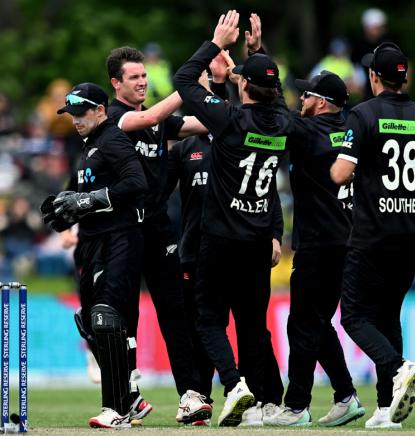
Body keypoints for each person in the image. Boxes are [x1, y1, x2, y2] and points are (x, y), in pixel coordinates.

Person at [173, 10, 305, 426]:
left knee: (209, 317)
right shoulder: (284, 123)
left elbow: (182, 81)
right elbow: (274, 94)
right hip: (257, 239)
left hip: (219, 237)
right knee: (252, 324)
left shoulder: (227, 120)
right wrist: (255, 58)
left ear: (244, 86)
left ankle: (234, 386)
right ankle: (259, 406)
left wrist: (216, 43)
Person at [330, 42, 415, 428]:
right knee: (388, 317)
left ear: (373, 77)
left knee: (352, 316)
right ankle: (386, 410)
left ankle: (396, 367)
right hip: (409, 236)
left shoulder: (363, 115)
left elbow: (340, 174)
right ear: (405, 78)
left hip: (372, 235)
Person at [104, 45, 211, 424]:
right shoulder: (114, 118)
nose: (142, 82)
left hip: (158, 226)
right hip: (123, 230)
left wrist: (228, 96)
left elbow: (204, 122)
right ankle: (127, 396)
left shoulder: (159, 121)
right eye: (134, 78)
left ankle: (191, 396)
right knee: (124, 317)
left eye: (144, 77)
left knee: (175, 312)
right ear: (116, 83)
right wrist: (191, 78)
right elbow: (150, 115)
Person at [41, 82, 148, 428]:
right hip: (92, 242)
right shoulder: (88, 147)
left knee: (105, 317)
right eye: (71, 114)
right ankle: (129, 399)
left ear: (100, 110)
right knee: (89, 321)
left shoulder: (113, 138)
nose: (75, 120)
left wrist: (87, 201)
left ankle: (116, 408)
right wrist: (69, 210)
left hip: (119, 239)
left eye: (81, 112)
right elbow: (82, 194)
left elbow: (137, 182)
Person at [264, 71, 364, 427]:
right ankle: (346, 395)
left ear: (321, 102)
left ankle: (295, 407)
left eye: (305, 96)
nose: (300, 101)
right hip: (348, 240)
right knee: (317, 322)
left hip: (318, 243)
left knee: (304, 323)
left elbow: (276, 113)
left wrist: (259, 62)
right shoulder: (353, 127)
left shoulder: (308, 132)